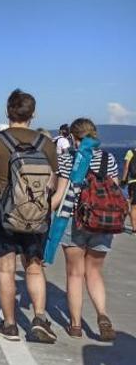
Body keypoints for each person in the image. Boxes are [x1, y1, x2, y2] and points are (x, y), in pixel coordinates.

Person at [0, 89, 58, 343]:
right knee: (34, 266)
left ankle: (9, 325)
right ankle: (39, 317)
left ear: (7, 112)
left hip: (1, 208)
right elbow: (51, 182)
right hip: (36, 211)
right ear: (33, 114)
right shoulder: (46, 144)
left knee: (5, 268)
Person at [49, 119, 119, 341]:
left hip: (73, 220)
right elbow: (115, 192)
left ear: (73, 137)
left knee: (75, 274)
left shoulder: (68, 158)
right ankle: (102, 315)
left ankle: (76, 325)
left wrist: (42, 216)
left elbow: (59, 196)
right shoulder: (109, 159)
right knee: (95, 272)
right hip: (103, 221)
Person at [125, 147, 136, 233]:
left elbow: (126, 167)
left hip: (133, 182)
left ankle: (134, 229)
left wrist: (124, 179)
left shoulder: (130, 152)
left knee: (133, 207)